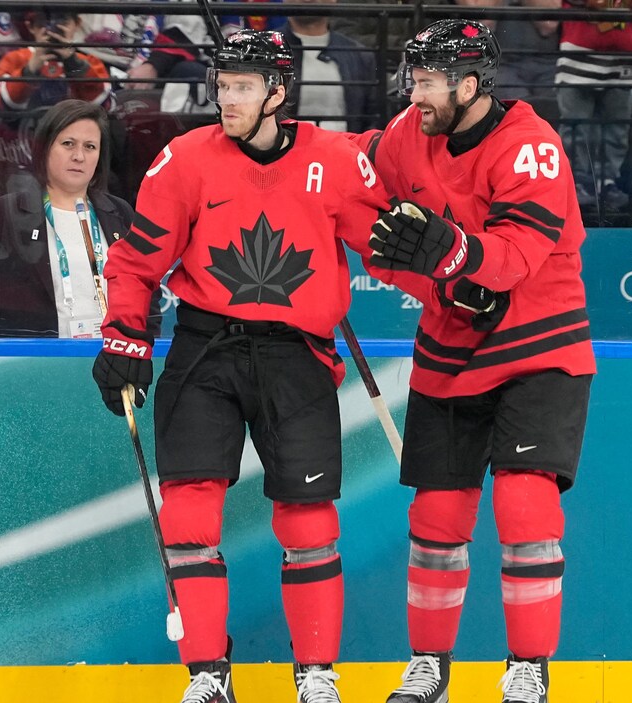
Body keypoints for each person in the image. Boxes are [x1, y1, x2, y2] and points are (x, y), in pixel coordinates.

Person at [91, 29, 392, 703]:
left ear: (279, 93)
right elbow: (138, 262)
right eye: (222, 86)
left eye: (243, 87)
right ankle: (207, 677)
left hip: (298, 356)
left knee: (309, 519)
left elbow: (388, 246)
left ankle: (316, 674)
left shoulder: (335, 160)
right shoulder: (184, 159)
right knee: (190, 515)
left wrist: (452, 280)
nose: (226, 99)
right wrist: (124, 339)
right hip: (206, 349)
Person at [360, 19, 595, 703]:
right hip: (450, 349)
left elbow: (516, 258)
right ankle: (429, 663)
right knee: (436, 515)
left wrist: (449, 257)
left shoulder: (531, 148)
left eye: (429, 81)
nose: (416, 92)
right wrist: (288, 150)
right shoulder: (412, 131)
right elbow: (356, 163)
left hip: (540, 346)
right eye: (415, 78)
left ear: (470, 84)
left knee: (526, 504)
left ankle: (529, 666)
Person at [0, 100, 140, 338]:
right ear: (45, 148)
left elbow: (144, 298)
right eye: (68, 144)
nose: (79, 156)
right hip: (32, 365)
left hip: (110, 362)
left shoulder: (120, 213)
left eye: (90, 147)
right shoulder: (5, 213)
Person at [554, 0, 632, 210]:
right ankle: (576, 182)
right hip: (578, 59)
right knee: (576, 128)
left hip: (622, 60)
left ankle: (607, 182)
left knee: (617, 129)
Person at [282, 0, 383, 133]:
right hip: (282, 151)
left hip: (347, 149)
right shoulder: (264, 50)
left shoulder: (361, 56)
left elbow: (373, 118)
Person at [0, 10, 114, 113]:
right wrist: (29, 70)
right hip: (24, 136)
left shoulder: (90, 62)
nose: (53, 28)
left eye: (62, 20)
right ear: (31, 26)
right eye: (45, 20)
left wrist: (74, 63)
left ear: (77, 24)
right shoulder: (15, 59)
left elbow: (107, 106)